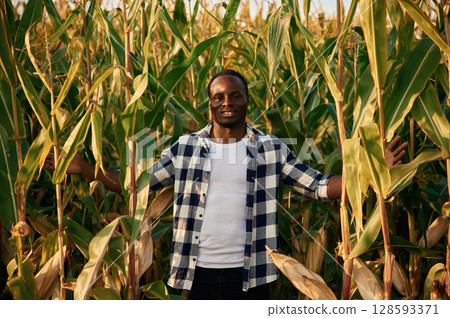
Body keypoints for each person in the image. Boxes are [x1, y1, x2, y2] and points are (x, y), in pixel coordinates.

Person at [46, 69, 407, 299]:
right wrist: (84, 169)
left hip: (252, 276)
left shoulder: (270, 148)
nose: (227, 102)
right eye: (219, 96)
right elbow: (136, 184)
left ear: (247, 101)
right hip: (193, 273)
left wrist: (370, 174)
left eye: (235, 95)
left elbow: (317, 186)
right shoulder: (186, 147)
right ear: (210, 105)